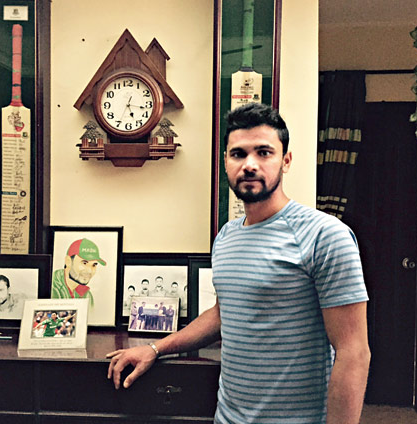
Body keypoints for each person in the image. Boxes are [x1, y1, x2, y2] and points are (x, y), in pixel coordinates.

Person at [106, 103, 370, 424]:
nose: (249, 164)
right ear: (226, 162)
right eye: (238, 154)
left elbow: (353, 352)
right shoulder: (227, 236)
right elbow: (222, 313)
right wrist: (155, 348)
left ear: (286, 161)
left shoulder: (325, 235)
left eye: (264, 152)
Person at [51, 238, 106, 305]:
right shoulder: (51, 287)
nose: (89, 270)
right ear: (68, 261)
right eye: (84, 263)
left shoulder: (86, 295)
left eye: (94, 265)